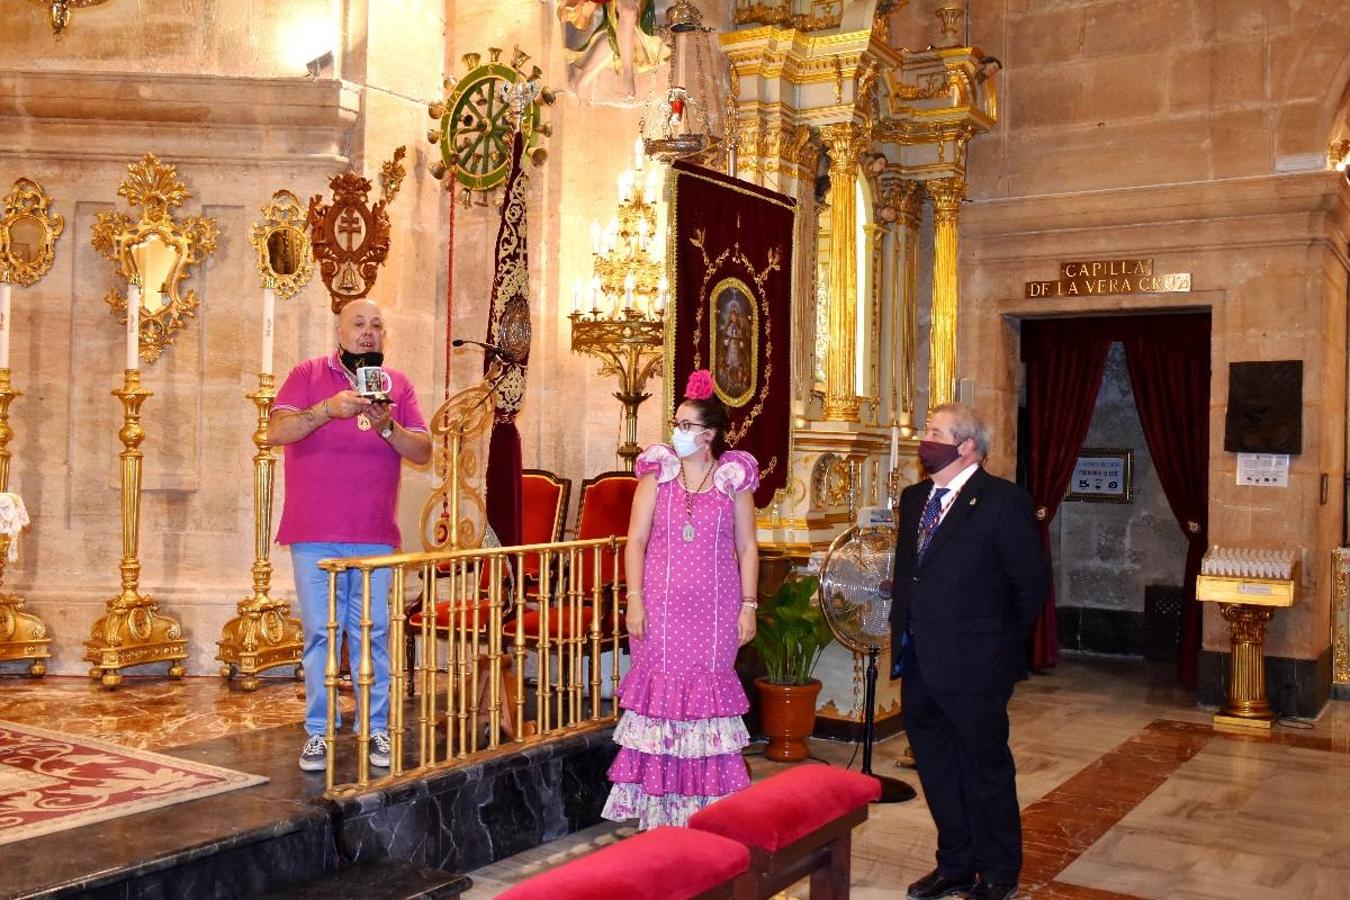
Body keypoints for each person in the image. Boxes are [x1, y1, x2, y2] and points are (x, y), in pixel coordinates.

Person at [889, 403, 1047, 900]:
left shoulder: (1003, 501)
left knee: (985, 769)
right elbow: (913, 575)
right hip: (920, 661)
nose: (924, 438)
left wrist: (997, 650)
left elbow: (1031, 585)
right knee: (936, 767)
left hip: (977, 665)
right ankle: (954, 864)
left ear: (967, 447)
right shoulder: (916, 498)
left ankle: (998, 872)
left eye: (935, 432)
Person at [268, 298, 431, 773]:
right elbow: (277, 430)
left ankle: (374, 727)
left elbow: (421, 449)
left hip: (373, 534)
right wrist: (326, 409)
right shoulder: (307, 374)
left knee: (373, 634)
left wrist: (388, 427)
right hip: (314, 531)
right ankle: (318, 732)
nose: (368, 332)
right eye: (359, 324)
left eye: (377, 326)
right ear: (338, 331)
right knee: (321, 633)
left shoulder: (395, 385)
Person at [602, 369, 760, 829]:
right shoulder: (657, 476)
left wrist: (749, 605)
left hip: (715, 614)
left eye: (686, 425)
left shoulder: (733, 480)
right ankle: (657, 811)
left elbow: (748, 547)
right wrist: (634, 599)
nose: (677, 432)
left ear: (708, 435)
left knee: (705, 703)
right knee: (661, 702)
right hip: (661, 613)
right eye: (676, 423)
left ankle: (706, 812)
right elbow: (635, 541)